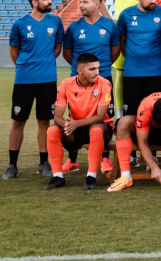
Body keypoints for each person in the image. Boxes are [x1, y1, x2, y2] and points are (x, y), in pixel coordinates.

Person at [3, 0, 64, 180]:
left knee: (45, 121)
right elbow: (14, 52)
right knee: (18, 120)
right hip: (24, 80)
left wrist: (43, 63)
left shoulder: (55, 22)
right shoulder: (20, 24)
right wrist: (27, 66)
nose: (50, 2)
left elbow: (57, 48)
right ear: (35, 2)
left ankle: (44, 162)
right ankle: (12, 165)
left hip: (48, 80)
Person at [61, 0, 119, 173]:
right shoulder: (73, 28)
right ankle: (72, 160)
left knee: (105, 120)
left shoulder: (110, 26)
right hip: (78, 81)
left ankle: (105, 160)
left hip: (103, 79)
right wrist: (83, 72)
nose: (81, 5)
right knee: (74, 118)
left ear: (97, 4)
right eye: (80, 2)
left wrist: (99, 70)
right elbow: (67, 53)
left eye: (85, 2)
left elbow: (115, 51)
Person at [43, 53, 113, 191]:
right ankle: (57, 176)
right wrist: (67, 125)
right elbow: (57, 116)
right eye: (92, 69)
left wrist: (76, 124)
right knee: (52, 130)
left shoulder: (105, 84)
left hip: (100, 127)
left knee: (96, 128)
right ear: (80, 70)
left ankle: (91, 176)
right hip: (76, 128)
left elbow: (100, 117)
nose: (97, 73)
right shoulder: (66, 84)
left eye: (98, 68)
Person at [99, 0, 155, 114]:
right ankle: (119, 114)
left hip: (146, 31)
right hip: (124, 31)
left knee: (150, 72)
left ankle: (148, 111)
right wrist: (110, 21)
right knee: (121, 74)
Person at [116, 0, 161, 119]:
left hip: (156, 72)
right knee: (132, 113)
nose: (153, 1)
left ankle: (155, 140)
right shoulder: (126, 15)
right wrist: (130, 56)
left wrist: (160, 56)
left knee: (157, 113)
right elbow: (122, 41)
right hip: (132, 73)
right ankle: (133, 140)